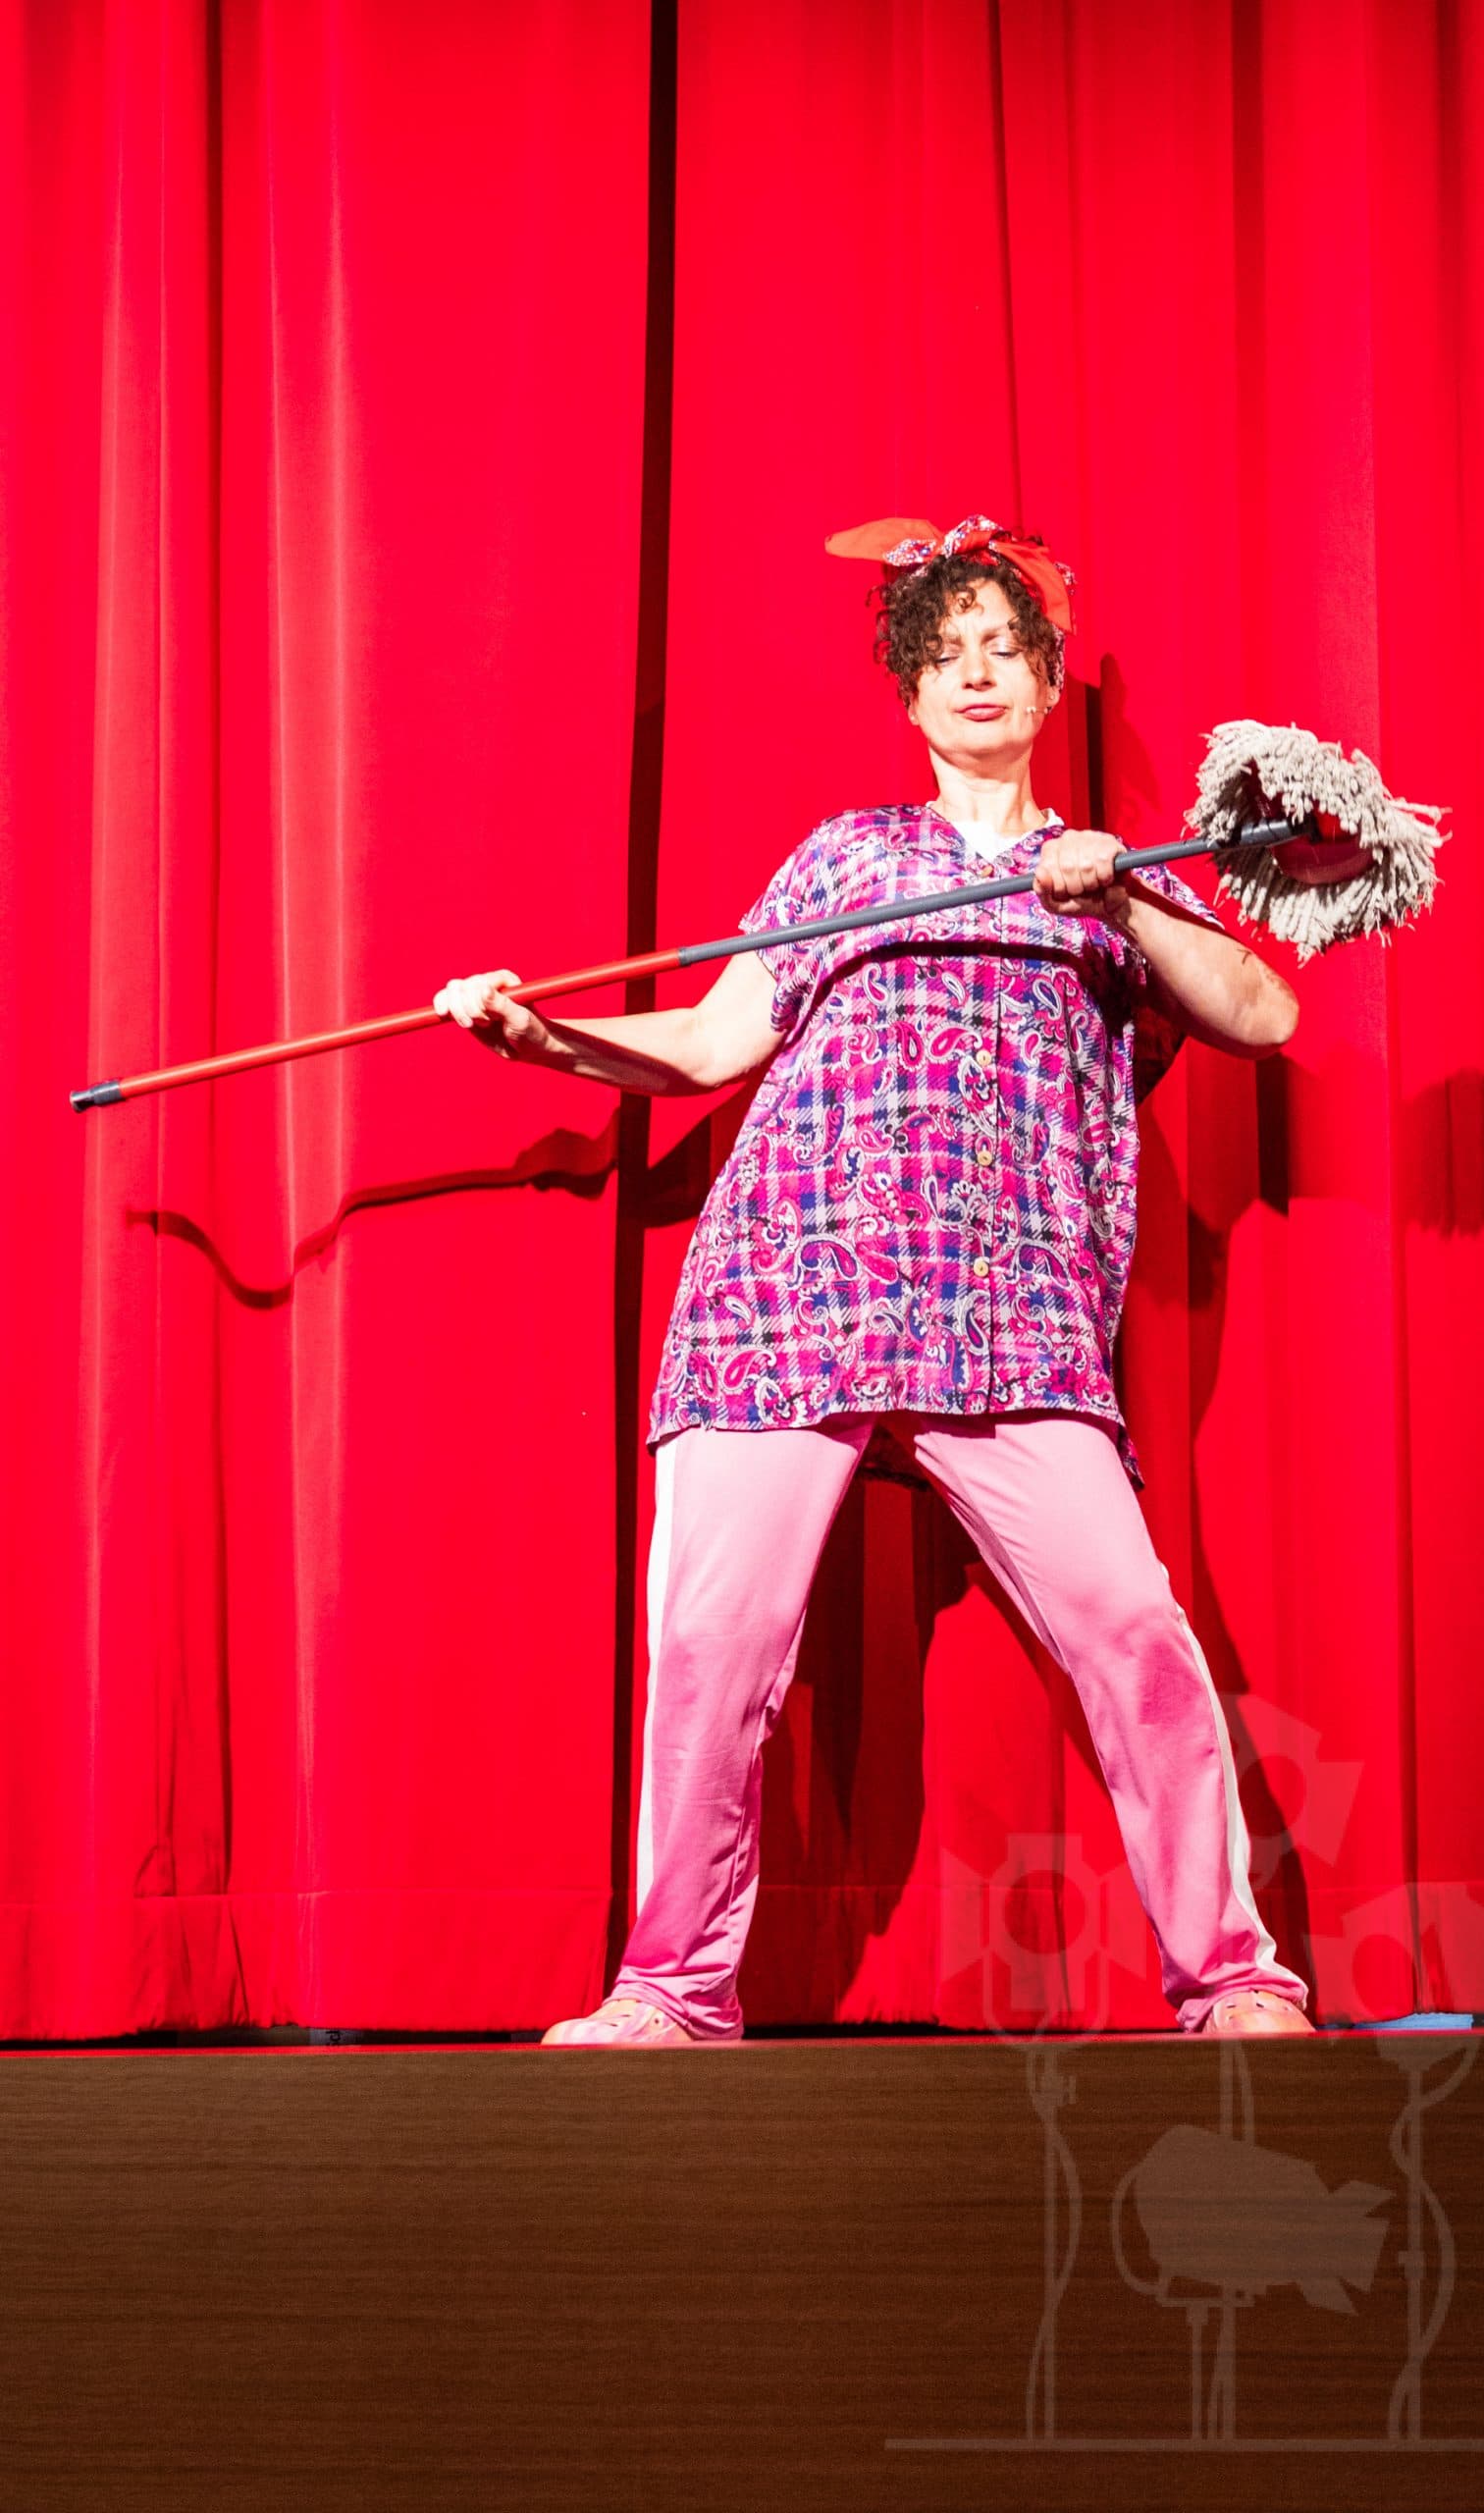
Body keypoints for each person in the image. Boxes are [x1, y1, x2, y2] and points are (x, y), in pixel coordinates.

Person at [434, 514, 1313, 2046]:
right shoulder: (845, 856)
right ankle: (670, 1988)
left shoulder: (1110, 877)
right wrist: (541, 1036)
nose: (976, 675)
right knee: (711, 1650)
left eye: (1005, 650)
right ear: (910, 694)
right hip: (793, 1297)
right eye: (945, 655)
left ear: (1047, 684)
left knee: (1133, 1633)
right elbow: (710, 1043)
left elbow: (1261, 1012)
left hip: (1012, 1318)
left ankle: (1235, 1978)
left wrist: (1115, 898)